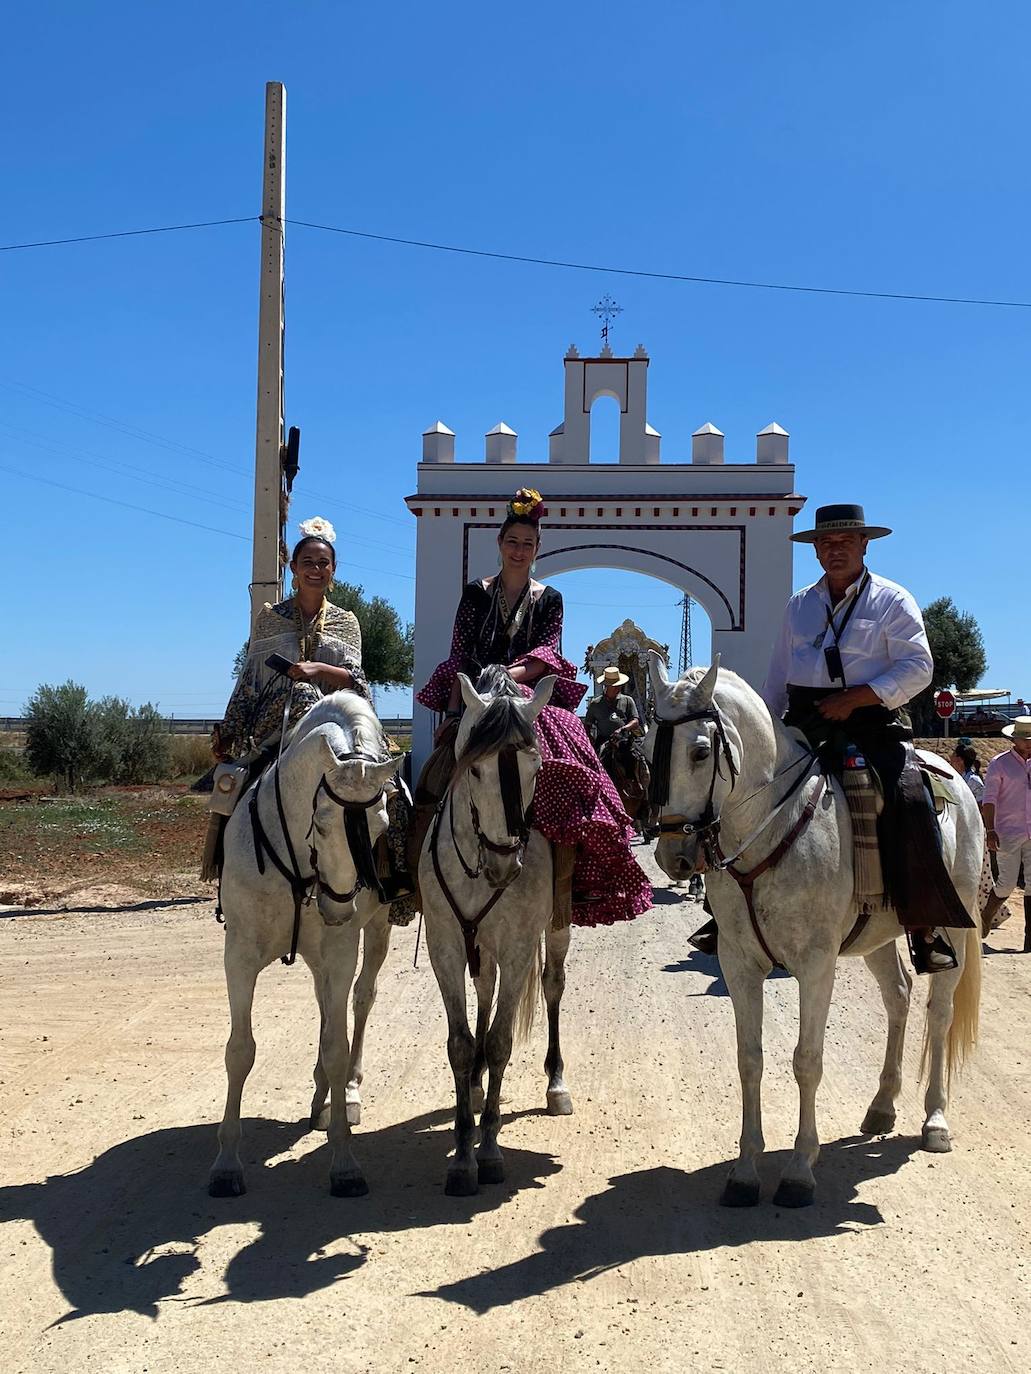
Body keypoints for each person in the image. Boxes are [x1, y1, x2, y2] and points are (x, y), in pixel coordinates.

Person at [689, 503, 973, 972]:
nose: (835, 549)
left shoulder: (892, 600)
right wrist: (769, 730)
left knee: (908, 797)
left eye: (845, 541)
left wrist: (859, 697)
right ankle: (725, 913)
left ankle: (923, 923)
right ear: (816, 550)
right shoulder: (799, 606)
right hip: (806, 723)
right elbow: (778, 678)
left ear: (865, 544)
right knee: (742, 791)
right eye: (826, 542)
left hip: (872, 722)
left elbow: (918, 667)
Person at [414, 488, 652, 927]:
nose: (519, 550)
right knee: (433, 774)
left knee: (572, 754)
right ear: (500, 543)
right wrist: (451, 714)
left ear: (538, 548)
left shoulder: (549, 599)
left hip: (526, 694)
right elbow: (460, 654)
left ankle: (570, 872)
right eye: (512, 541)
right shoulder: (476, 593)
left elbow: (546, 654)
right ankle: (414, 873)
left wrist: (508, 676)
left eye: (527, 543)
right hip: (477, 693)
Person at [207, 517, 416, 924]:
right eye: (308, 562)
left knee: (393, 789)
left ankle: (394, 881)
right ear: (293, 568)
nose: (316, 569)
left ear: (333, 570)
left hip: (337, 717)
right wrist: (229, 730)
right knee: (230, 785)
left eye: (323, 563)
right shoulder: (271, 618)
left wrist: (318, 669)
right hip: (278, 716)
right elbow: (250, 678)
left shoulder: (347, 621)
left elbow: (357, 680)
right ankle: (229, 876)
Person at [980, 717, 1031, 951]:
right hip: (1007, 832)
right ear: (1014, 739)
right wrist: (990, 830)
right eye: (1025, 739)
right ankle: (987, 915)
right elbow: (989, 800)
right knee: (1006, 884)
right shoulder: (999, 764)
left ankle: (1029, 939)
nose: (1029, 744)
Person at [585, 667, 642, 752]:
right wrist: (590, 738)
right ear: (607, 686)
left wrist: (623, 729)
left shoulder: (628, 700)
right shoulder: (595, 704)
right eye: (615, 686)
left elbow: (635, 721)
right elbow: (587, 725)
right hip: (603, 740)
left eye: (619, 685)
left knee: (640, 755)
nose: (618, 688)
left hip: (624, 740)